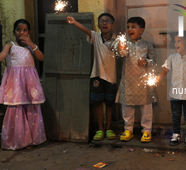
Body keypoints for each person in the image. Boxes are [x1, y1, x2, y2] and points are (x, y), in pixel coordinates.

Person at [0, 19, 46, 150]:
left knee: (31, 107)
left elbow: (41, 57)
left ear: (28, 32)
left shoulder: (31, 46)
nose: (21, 33)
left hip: (29, 83)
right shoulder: (10, 45)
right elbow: (2, 54)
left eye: (25, 30)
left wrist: (31, 43)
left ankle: (31, 140)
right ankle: (18, 140)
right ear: (14, 32)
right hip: (16, 82)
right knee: (16, 108)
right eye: (19, 30)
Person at [66, 13, 117, 141]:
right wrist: (74, 22)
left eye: (108, 21)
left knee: (110, 104)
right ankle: (100, 129)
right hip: (97, 76)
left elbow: (122, 52)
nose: (104, 23)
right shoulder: (95, 36)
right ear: (99, 25)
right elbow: (86, 30)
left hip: (111, 77)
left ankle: (109, 128)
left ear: (113, 25)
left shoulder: (117, 41)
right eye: (102, 21)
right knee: (98, 104)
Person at [115, 17, 155, 143]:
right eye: (128, 27)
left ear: (141, 30)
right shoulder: (123, 43)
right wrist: (121, 46)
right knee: (127, 107)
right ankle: (128, 130)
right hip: (128, 81)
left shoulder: (147, 45)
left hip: (143, 82)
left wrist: (146, 62)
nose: (129, 29)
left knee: (146, 108)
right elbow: (120, 54)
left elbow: (154, 61)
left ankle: (147, 131)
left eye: (133, 27)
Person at [156, 30, 186, 147]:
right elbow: (165, 69)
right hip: (175, 93)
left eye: (179, 41)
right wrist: (158, 77)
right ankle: (176, 135)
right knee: (176, 115)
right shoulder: (171, 57)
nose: (176, 44)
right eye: (175, 41)